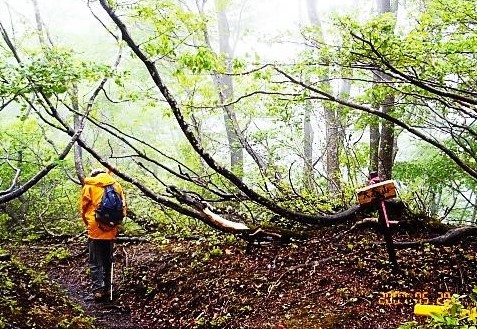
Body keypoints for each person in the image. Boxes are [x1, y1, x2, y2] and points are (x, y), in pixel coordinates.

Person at [80, 168, 126, 302]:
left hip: (95, 229)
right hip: (111, 229)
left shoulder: (89, 186)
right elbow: (123, 208)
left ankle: (98, 292)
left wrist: (88, 224)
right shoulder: (116, 185)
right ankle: (107, 289)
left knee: (95, 262)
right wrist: (115, 225)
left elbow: (83, 209)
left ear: (93, 175)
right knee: (108, 260)